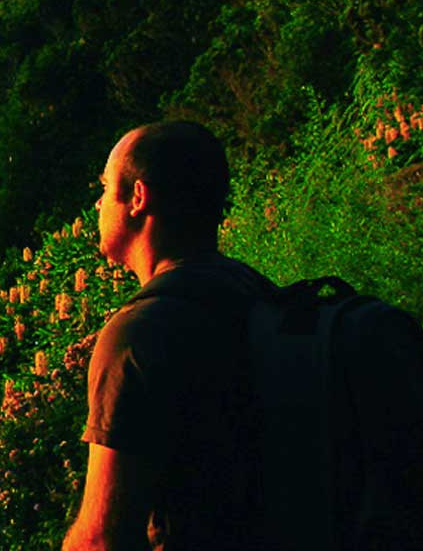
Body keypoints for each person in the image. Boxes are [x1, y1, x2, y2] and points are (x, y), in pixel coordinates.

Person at [62, 121, 278, 550]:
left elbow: (102, 539)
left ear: (137, 199)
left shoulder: (138, 336)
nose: (99, 202)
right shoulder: (254, 291)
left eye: (106, 189)